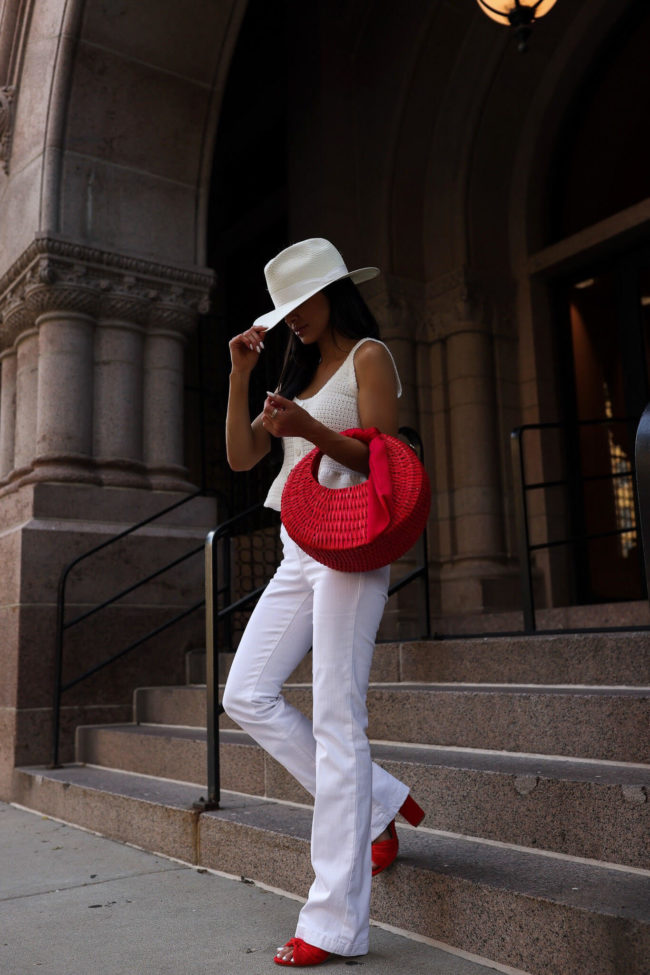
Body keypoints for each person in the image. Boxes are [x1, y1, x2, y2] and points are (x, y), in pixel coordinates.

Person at [222, 238, 425, 968]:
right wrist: (243, 375)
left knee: (340, 717)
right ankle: (376, 804)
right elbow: (243, 460)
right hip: (296, 546)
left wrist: (308, 429)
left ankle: (333, 920)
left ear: (332, 293)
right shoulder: (293, 368)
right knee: (244, 692)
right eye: (283, 312)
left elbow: (387, 457)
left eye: (299, 306)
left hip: (351, 547)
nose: (293, 322)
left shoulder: (369, 355)